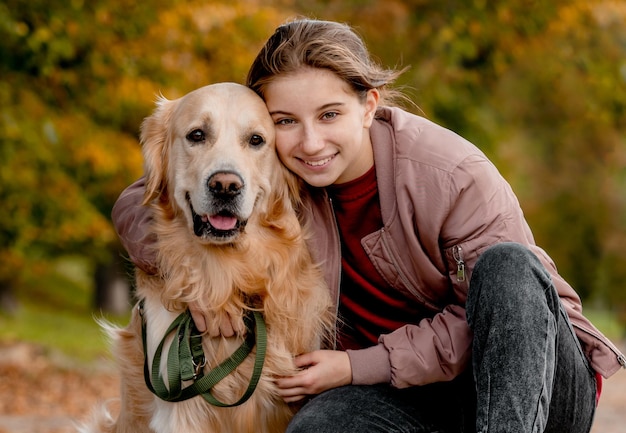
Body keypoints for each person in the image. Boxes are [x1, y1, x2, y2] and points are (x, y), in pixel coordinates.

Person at [112, 19, 625, 433]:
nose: (311, 142)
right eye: (286, 121)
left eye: (330, 114)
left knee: (510, 265)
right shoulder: (283, 174)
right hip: (413, 399)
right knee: (318, 427)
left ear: (368, 106)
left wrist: (359, 367)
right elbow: (144, 198)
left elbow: (502, 313)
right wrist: (188, 285)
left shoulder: (455, 174)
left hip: (534, 387)